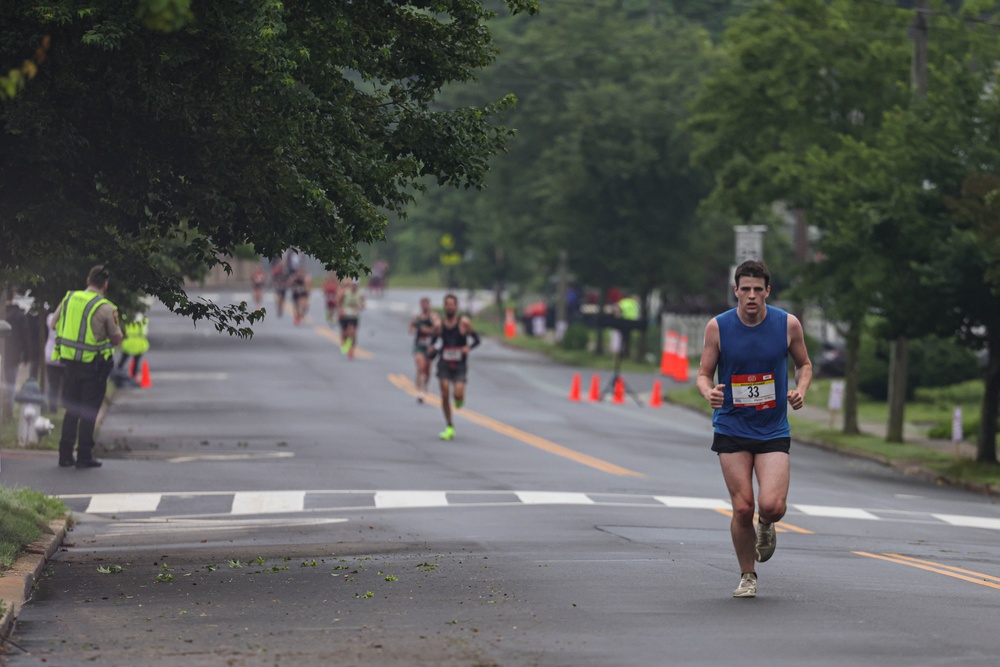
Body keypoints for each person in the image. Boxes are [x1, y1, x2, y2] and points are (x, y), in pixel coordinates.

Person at [696, 260, 812, 599]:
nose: (751, 296)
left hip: (773, 427)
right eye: (744, 289)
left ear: (767, 292)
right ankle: (748, 574)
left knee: (772, 505)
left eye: (757, 290)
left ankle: (767, 525)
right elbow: (704, 373)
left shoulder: (787, 325)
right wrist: (709, 392)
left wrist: (800, 391)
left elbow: (804, 364)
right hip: (732, 424)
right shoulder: (718, 327)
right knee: (743, 506)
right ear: (735, 291)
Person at [51, 265, 124, 469]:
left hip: (69, 364)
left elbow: (53, 324)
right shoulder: (107, 308)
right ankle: (84, 456)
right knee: (88, 411)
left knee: (71, 410)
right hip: (93, 367)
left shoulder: (69, 298)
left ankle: (64, 455)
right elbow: (116, 338)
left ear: (87, 280)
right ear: (106, 285)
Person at [433, 293, 480, 441]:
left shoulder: (463, 323)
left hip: (459, 363)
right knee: (445, 393)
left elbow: (477, 339)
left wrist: (468, 348)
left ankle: (459, 398)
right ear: (444, 306)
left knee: (457, 394)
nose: (450, 306)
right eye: (447, 304)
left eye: (452, 304)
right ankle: (449, 426)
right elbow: (434, 342)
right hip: (445, 362)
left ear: (456, 306)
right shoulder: (439, 324)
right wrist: (433, 347)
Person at [408, 297, 440, 404]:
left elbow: (438, 328)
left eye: (427, 304)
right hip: (419, 345)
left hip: (430, 346)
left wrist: (430, 329)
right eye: (423, 304)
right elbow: (411, 328)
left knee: (427, 369)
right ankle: (420, 391)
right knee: (420, 366)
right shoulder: (417, 317)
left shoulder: (433, 317)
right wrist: (412, 329)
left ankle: (425, 385)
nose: (425, 306)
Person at [113, 313, 149, 388]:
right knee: (136, 362)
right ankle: (133, 377)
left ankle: (117, 374)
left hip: (128, 343)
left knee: (123, 360)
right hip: (139, 343)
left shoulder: (125, 318)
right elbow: (145, 332)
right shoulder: (143, 320)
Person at [43, 312, 65, 414]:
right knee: (64, 384)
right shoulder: (68, 319)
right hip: (64, 356)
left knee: (53, 385)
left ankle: (53, 408)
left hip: (51, 356)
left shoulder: (51, 317)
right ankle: (63, 404)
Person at [337, 280, 365, 359]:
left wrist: (362, 305)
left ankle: (351, 350)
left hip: (354, 316)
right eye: (353, 285)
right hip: (345, 315)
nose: (354, 286)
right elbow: (339, 301)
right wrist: (341, 309)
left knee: (353, 333)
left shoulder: (360, 294)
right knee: (345, 333)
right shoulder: (345, 292)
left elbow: (363, 303)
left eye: (355, 285)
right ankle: (344, 343)